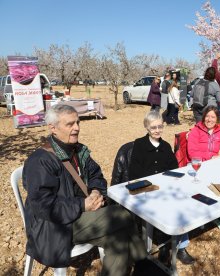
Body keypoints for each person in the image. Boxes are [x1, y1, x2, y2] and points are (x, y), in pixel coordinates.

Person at [23, 104, 146, 275]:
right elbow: (44, 206)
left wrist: (96, 191)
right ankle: (142, 261)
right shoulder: (40, 161)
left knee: (119, 236)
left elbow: (96, 175)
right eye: (70, 124)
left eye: (78, 123)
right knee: (121, 214)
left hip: (81, 214)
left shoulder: (78, 150)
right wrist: (82, 205)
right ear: (53, 128)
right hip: (56, 225)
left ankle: (139, 262)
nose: (77, 128)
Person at [128, 111, 195, 265]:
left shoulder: (165, 146)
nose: (157, 130)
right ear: (147, 128)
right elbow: (134, 174)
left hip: (165, 190)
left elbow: (174, 169)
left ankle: (181, 247)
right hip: (146, 192)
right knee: (167, 207)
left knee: (182, 204)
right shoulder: (139, 144)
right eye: (153, 128)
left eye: (160, 126)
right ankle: (164, 244)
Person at [187, 106, 220, 232]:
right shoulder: (196, 131)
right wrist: (210, 157)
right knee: (206, 187)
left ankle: (217, 213)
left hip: (213, 166)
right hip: (196, 166)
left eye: (213, 117)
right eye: (207, 116)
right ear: (203, 118)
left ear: (217, 119)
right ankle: (208, 214)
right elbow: (192, 152)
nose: (209, 119)